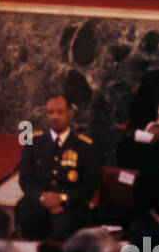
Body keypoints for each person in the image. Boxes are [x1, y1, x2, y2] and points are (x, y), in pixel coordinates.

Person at [16, 93, 100, 242]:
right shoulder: (33, 142)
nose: (55, 116)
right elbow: (26, 178)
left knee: (65, 227)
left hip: (70, 204)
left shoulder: (85, 146)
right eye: (50, 112)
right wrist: (42, 198)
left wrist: (61, 198)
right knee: (26, 217)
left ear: (70, 114)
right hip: (39, 201)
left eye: (60, 112)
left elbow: (89, 185)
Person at [118, 67, 159, 209]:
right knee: (128, 148)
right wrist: (151, 126)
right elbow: (137, 111)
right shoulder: (152, 78)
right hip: (151, 140)